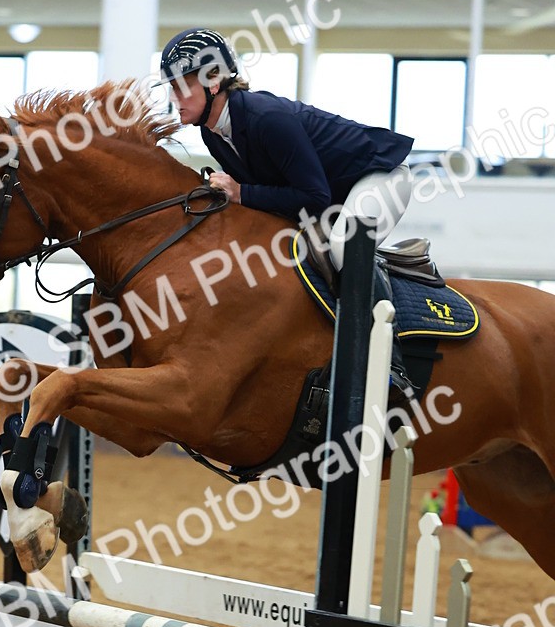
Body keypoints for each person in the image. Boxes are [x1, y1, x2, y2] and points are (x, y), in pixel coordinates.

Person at [160, 27, 416, 393]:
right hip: (331, 194)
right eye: (171, 88)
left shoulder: (266, 118)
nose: (174, 98)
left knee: (344, 247)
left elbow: (312, 198)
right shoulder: (211, 132)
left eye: (181, 87)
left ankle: (393, 366)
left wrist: (241, 192)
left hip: (379, 176)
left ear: (213, 82)